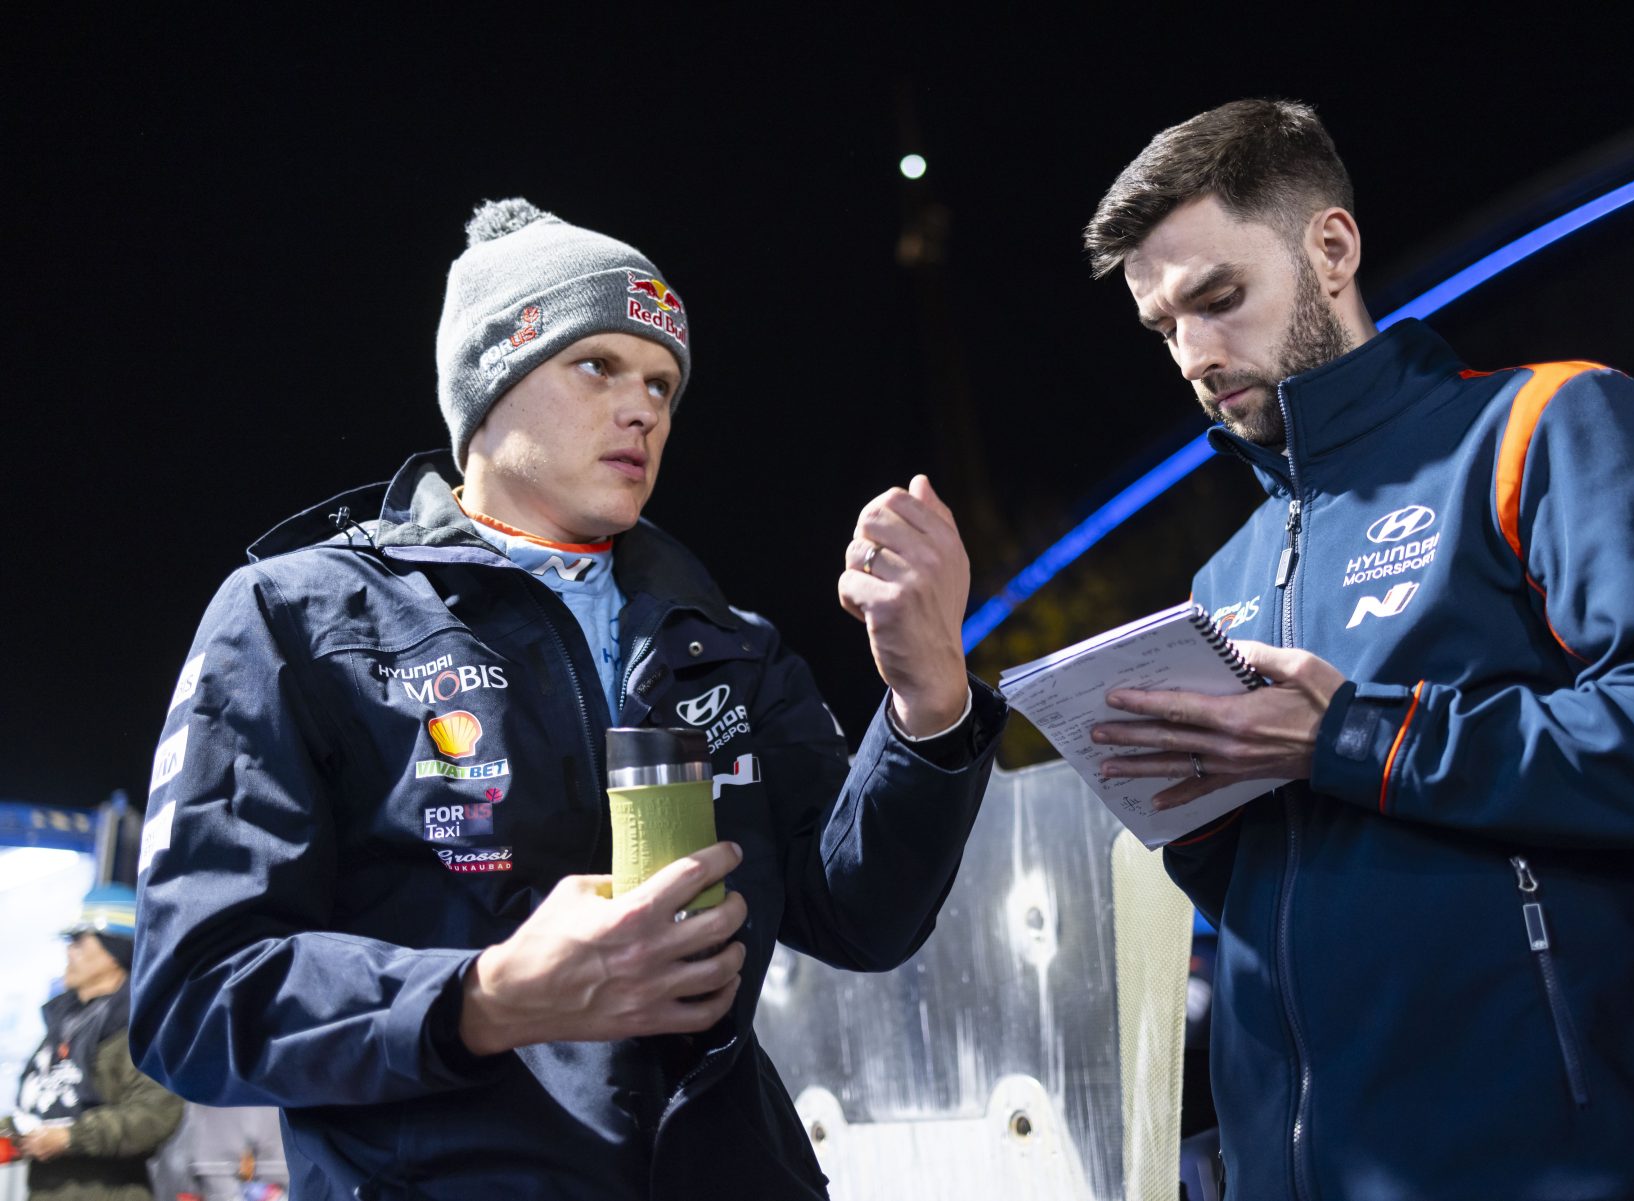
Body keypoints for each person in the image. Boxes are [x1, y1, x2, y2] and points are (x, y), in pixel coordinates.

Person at [129, 198, 1006, 1199]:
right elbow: (192, 999)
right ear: (489, 378)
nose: (645, 410)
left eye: (663, 384)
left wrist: (928, 703)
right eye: (598, 365)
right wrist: (486, 997)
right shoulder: (299, 617)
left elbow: (861, 919)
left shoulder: (725, 641)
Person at [1081, 100, 1634, 1200]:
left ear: (1332, 249)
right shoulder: (1223, 581)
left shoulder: (1544, 427)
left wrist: (1357, 735)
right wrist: (1192, 815)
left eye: (1219, 299)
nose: (1196, 356)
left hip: (1560, 1167)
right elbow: (1276, 899)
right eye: (1164, 327)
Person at [2, 884, 184, 1200]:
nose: (69, 952)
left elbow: (155, 1115)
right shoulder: (63, 1022)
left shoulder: (142, 1027)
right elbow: (42, 1104)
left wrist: (71, 1138)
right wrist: (13, 1131)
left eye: (79, 941)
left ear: (114, 950)